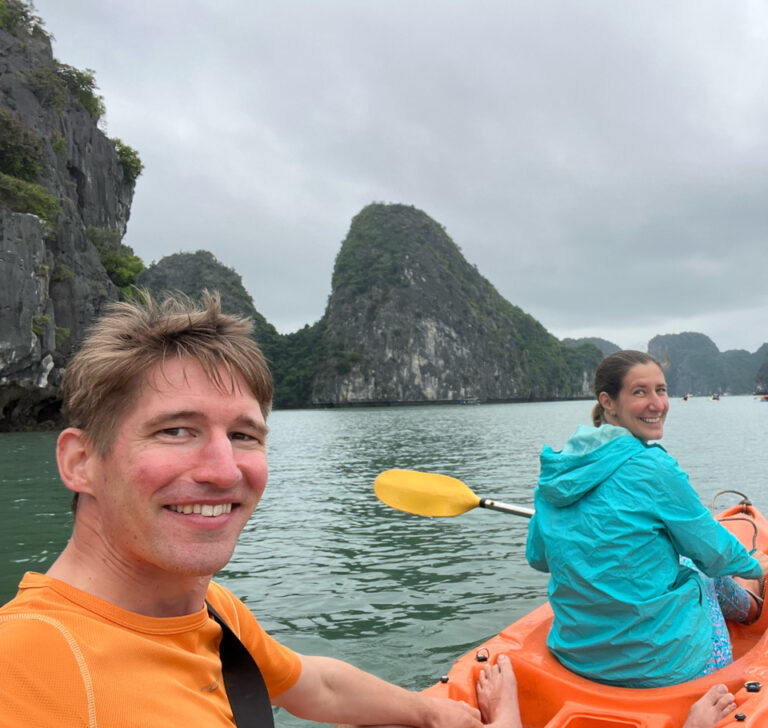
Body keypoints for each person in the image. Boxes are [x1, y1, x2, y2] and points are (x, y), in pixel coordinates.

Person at [0, 290, 518, 728]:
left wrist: (434, 713)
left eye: (244, 435)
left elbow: (317, 684)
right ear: (80, 461)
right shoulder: (25, 671)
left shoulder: (211, 610)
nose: (225, 471)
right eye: (176, 430)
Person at [526, 350, 768, 698]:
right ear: (608, 402)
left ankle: (746, 606)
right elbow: (714, 553)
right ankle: (751, 609)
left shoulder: (557, 472)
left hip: (577, 659)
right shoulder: (654, 468)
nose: (657, 403)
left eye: (661, 390)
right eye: (640, 392)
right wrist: (752, 565)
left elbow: (539, 557)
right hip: (663, 668)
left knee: (687, 567)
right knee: (701, 574)